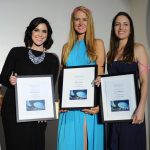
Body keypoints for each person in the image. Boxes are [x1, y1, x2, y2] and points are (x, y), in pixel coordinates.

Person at [0, 17, 59, 150]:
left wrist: (45, 112)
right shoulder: (16, 52)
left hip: (37, 112)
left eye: (44, 31)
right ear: (30, 32)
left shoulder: (53, 60)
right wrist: (10, 80)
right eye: (36, 30)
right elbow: (3, 77)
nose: (40, 34)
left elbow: (49, 89)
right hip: (13, 111)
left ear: (48, 34)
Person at [57, 6, 105, 150]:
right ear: (72, 22)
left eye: (85, 19)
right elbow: (63, 79)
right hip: (69, 110)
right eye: (77, 19)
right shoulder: (66, 48)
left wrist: (100, 106)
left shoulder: (97, 44)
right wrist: (61, 101)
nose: (80, 23)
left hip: (88, 108)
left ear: (89, 22)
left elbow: (101, 75)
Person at [107, 12, 149, 150]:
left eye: (125, 24)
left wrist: (141, 107)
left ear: (131, 29)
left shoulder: (138, 49)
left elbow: (144, 81)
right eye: (117, 24)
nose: (121, 28)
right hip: (114, 112)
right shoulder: (110, 54)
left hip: (133, 111)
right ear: (113, 28)